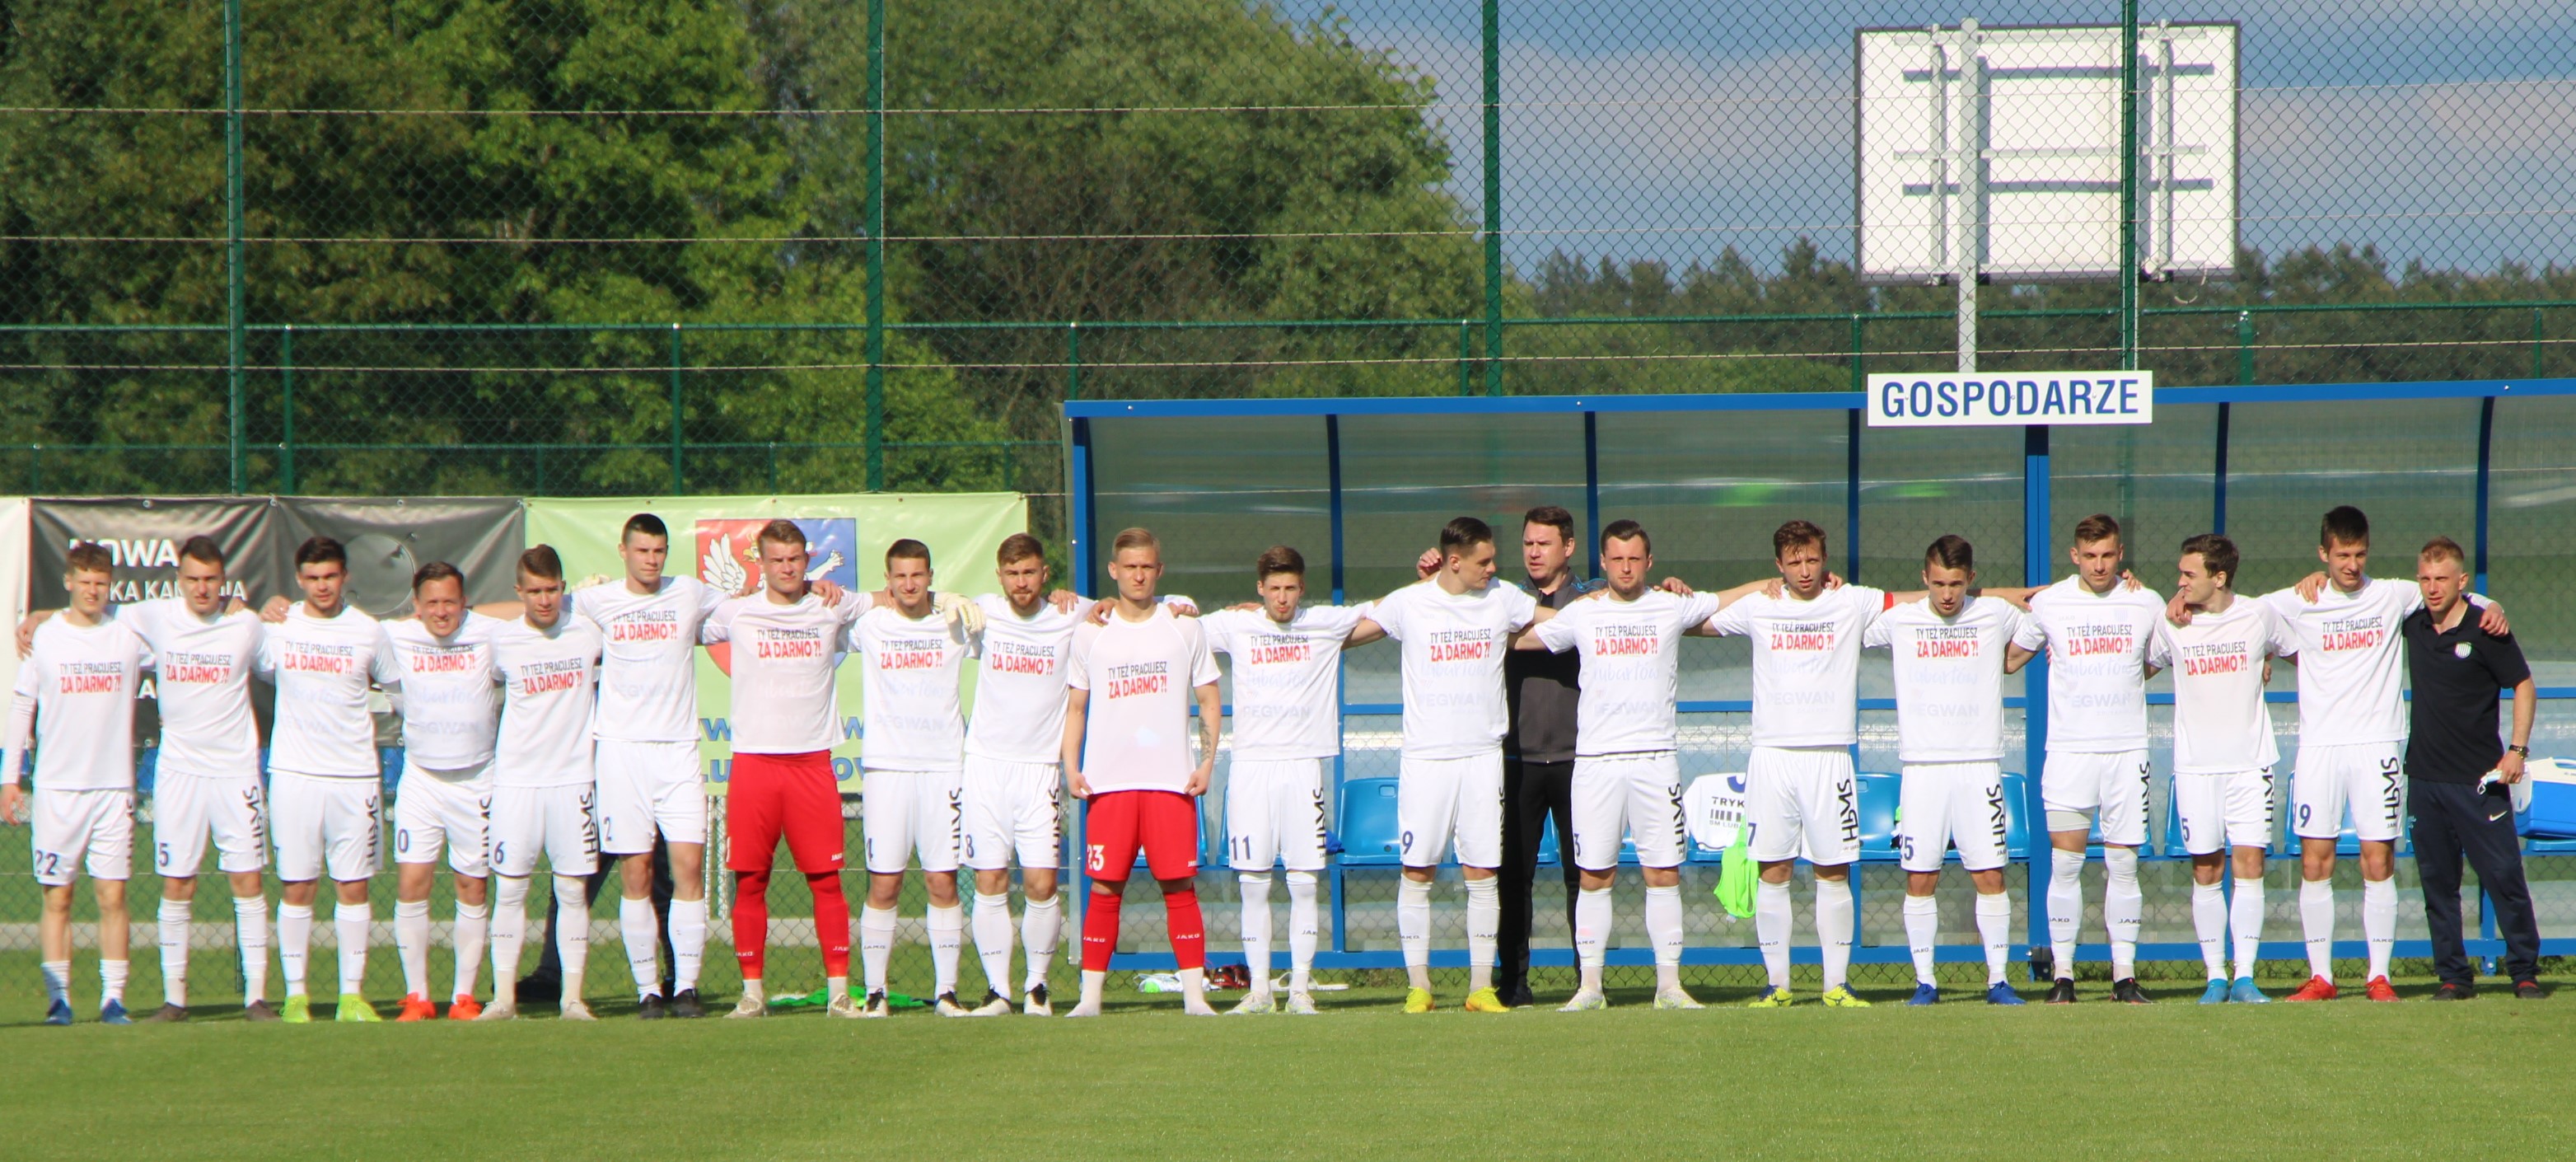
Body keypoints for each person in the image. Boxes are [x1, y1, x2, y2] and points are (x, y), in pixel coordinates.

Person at [2204, 507, 2508, 1003]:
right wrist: (2179, 600)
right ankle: (2321, 976)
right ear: (2324, 554)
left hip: (2376, 746)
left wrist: (2492, 605)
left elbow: (2453, 593)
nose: (2352, 564)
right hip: (2320, 747)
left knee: (2377, 858)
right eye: (2342, 555)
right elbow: (2236, 608)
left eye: (2360, 554)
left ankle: (2378, 976)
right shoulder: (2298, 600)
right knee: (2315, 861)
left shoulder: (2392, 594)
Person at [19, 536, 271, 1022]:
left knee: (247, 878)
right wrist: (42, 616)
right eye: (193, 579)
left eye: (211, 580)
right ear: (180, 580)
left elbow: (272, 664)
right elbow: (89, 614)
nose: (202, 588)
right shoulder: (152, 617)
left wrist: (270, 607)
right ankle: (175, 1000)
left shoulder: (246, 625)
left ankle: (256, 997)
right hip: (178, 771)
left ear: (224, 581)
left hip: (235, 770)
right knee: (176, 883)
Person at [1522, 519, 1765, 1011]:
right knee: (1594, 876)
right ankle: (1590, 987)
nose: (1626, 568)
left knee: (1663, 874)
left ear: (1648, 563)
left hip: (1656, 763)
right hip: (1596, 764)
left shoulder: (1669, 605)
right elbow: (1521, 637)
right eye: (1617, 559)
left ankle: (1669, 986)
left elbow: (1727, 599)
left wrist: (1774, 584)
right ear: (1604, 564)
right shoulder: (1582, 612)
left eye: (1635, 559)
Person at [1352, 517, 1551, 1014]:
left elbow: (1556, 622)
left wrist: (1612, 609)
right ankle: (1419, 985)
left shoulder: (1503, 597)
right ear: (1453, 561)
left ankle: (1480, 987)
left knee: (1482, 870)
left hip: (1483, 755)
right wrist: (1271, 619)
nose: (1494, 568)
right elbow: (1345, 629)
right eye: (1484, 561)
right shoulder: (1409, 602)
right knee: (1418, 870)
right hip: (1426, 758)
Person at [1704, 520, 1886, 1009]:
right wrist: (1718, 590)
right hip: (1773, 756)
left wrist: (2025, 596)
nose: (1805, 571)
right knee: (1774, 870)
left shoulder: (1852, 600)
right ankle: (1778, 985)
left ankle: (1836, 986)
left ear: (1824, 560)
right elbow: (1693, 619)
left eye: (1812, 560)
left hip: (1830, 756)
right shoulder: (1760, 604)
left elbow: (1924, 598)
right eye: (1794, 562)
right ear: (1778, 565)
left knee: (1833, 870)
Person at [1200, 546, 1376, 1016]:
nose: (1282, 598)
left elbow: (1391, 614)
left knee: (1303, 882)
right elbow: (1172, 629)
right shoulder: (1235, 624)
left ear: (1302, 588)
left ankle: (1299, 988)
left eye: (1291, 588)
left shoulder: (1323, 622)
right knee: (1253, 882)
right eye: (1274, 589)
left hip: (1303, 767)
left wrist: (1433, 575)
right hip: (1252, 768)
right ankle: (1259, 991)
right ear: (1259, 589)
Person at [562, 513, 724, 1019]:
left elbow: (754, 608)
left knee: (689, 869)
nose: (652, 560)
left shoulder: (690, 592)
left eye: (659, 551)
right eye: (642, 551)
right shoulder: (597, 600)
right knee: (635, 873)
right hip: (621, 751)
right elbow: (533, 610)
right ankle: (647, 990)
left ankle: (687, 988)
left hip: (677, 750)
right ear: (623, 551)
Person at [1061, 527, 1224, 1018]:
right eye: (1128, 567)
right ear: (1113, 571)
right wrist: (1071, 766)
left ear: (1159, 571)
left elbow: (1210, 699)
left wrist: (1208, 760)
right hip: (1108, 784)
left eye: (1146, 566)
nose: (1137, 575)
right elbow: (1076, 707)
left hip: (1170, 782)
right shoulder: (1092, 630)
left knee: (1178, 886)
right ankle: (1091, 999)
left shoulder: (1184, 627)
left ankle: (1194, 997)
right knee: (1105, 887)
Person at [704, 519, 864, 1018]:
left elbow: (892, 598)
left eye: (795, 560)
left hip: (813, 762)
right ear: (762, 562)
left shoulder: (830, 605)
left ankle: (839, 992)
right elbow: (675, 627)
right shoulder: (735, 612)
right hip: (753, 762)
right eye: (777, 560)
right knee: (750, 879)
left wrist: (944, 599)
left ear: (808, 560)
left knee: (827, 880)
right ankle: (753, 993)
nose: (787, 568)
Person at [2004, 514, 2165, 1004]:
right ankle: (2064, 978)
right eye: (2090, 556)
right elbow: (2010, 658)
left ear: (2121, 555)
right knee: (2066, 863)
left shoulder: (2146, 601)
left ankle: (2124, 977)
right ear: (2075, 556)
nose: (2099, 565)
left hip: (2126, 750)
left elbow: (2151, 663)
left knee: (2122, 866)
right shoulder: (2050, 602)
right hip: (2070, 752)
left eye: (2108, 555)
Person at [1866, 536, 2027, 1005]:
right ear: (1924, 579)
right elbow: (1843, 623)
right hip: (1922, 769)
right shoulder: (1900, 620)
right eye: (1938, 583)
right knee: (1920, 877)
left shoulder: (1995, 614)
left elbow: (2046, 614)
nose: (1948, 594)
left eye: (1956, 583)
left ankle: (1998, 979)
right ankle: (1926, 982)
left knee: (1990, 875)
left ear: (1971, 580)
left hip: (1980, 765)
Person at [257, 536, 402, 1023]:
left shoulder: (369, 631)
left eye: (331, 576)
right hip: (295, 775)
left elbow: (399, 692)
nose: (323, 586)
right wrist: (256, 606)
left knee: (354, 888)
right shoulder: (278, 626)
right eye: (313, 578)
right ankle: (296, 996)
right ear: (300, 580)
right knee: (298, 887)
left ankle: (351, 996)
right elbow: (226, 627)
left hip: (354, 776)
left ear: (345, 577)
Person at [2, 542, 148, 1024]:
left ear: (111, 587)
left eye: (101, 584)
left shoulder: (128, 634)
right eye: (84, 582)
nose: (92, 591)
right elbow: (23, 706)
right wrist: (11, 778)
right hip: (57, 790)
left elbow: (184, 620)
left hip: (113, 789)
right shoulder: (46, 639)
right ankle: (58, 999)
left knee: (112, 896)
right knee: (57, 896)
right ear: (68, 582)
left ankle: (114, 1000)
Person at [2150, 533, 2299, 1005]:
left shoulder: (2259, 614)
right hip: (2196, 768)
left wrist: (2267, 660)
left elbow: (2296, 650)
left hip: (2250, 765)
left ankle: (2245, 976)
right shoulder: (2173, 622)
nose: (2180, 581)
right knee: (2206, 869)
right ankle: (2216, 976)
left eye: (2188, 574)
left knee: (2250, 865)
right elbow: (2143, 665)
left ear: (2219, 577)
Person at [2401, 536, 2543, 1000]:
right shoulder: (2414, 625)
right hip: (2425, 780)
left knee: (2503, 876)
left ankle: (2523, 971)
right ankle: (2453, 976)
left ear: (2461, 581)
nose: (2432, 588)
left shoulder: (2487, 628)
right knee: (2438, 885)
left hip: (2480, 782)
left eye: (2442, 579)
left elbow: (2523, 684)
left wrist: (2517, 751)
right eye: (2425, 578)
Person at [848, 539, 978, 1018]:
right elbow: (825, 608)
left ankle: (946, 992)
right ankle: (876, 993)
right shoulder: (871, 624)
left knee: (942, 882)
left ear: (930, 576)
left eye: (918, 575)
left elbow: (1013, 615)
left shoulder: (955, 624)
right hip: (887, 770)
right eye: (900, 576)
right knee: (885, 884)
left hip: (944, 767)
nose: (909, 584)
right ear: (888, 579)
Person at [477, 547, 607, 1020]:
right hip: (515, 783)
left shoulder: (587, 631)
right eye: (534, 591)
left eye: (552, 589)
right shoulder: (503, 640)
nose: (544, 600)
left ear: (564, 589)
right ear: (519, 593)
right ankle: (504, 999)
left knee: (572, 890)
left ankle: (572, 998)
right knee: (510, 890)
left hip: (573, 781)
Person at [961, 534, 1084, 1016]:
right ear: (999, 576)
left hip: (1039, 771)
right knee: (990, 879)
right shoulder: (984, 611)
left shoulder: (1068, 613)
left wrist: (1178, 604)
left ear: (1045, 573)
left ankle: (1037, 987)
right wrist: (948, 598)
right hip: (986, 766)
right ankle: (997, 991)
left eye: (1029, 572)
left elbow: (1123, 607)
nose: (1021, 583)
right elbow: (923, 606)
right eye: (1012, 574)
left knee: (1041, 883)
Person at [380, 563, 500, 1021]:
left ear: (465, 602)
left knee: (472, 885)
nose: (442, 611)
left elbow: (527, 610)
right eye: (432, 602)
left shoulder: (487, 631)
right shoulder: (395, 635)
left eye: (450, 601)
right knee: (413, 882)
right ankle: (417, 997)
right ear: (416, 605)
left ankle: (464, 998)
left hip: (477, 779)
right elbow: (340, 628)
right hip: (422, 779)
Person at [1494, 505, 1592, 1009]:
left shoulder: (1593, 599)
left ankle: (1587, 980)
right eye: (1528, 544)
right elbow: (1451, 604)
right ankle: (1512, 983)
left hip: (1580, 760)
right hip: (1518, 761)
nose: (1534, 552)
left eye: (1544, 544)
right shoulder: (1503, 600)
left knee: (1583, 874)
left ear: (1568, 547)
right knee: (1514, 876)